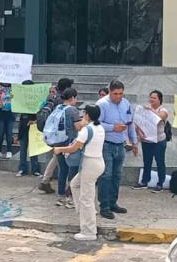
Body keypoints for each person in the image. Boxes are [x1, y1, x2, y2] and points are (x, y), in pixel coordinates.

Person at [54, 105, 105, 241]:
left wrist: (59, 149)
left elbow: (73, 148)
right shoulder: (99, 128)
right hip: (97, 162)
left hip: (90, 164)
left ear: (87, 115)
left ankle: (89, 231)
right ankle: (85, 212)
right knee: (75, 185)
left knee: (86, 198)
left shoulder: (86, 130)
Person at [97, 80, 137, 219]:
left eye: (121, 93)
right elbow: (96, 124)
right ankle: (104, 206)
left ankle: (113, 202)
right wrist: (112, 127)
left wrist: (134, 141)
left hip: (121, 144)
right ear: (110, 92)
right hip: (106, 144)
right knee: (106, 175)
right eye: (115, 94)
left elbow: (130, 123)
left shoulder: (125, 103)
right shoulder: (102, 104)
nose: (118, 97)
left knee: (117, 175)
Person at [38, 79, 74, 194]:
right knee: (62, 161)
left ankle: (45, 180)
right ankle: (65, 188)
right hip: (60, 134)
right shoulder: (62, 101)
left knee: (56, 157)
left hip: (50, 132)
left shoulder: (53, 96)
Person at [133, 90, 170, 193]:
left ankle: (160, 183)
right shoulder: (145, 109)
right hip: (147, 140)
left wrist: (151, 110)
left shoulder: (163, 110)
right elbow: (138, 122)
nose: (151, 100)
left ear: (159, 100)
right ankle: (145, 181)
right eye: (151, 97)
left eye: (154, 98)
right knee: (147, 161)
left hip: (159, 141)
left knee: (160, 162)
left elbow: (159, 117)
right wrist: (139, 132)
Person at [53, 88, 82, 208]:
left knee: (62, 170)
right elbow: (78, 127)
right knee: (72, 170)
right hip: (69, 143)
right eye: (75, 98)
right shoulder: (72, 110)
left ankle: (60, 197)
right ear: (72, 98)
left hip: (58, 142)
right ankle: (70, 198)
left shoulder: (57, 108)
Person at [17, 80, 42, 177]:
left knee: (34, 149)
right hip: (23, 126)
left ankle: (35, 169)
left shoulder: (37, 99)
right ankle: (22, 169)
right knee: (23, 149)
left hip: (34, 126)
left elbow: (40, 113)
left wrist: (35, 121)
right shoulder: (20, 99)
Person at [0, 83, 15, 160]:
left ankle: (9, 151)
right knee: (0, 133)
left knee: (9, 133)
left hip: (10, 114)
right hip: (0, 114)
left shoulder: (14, 87)